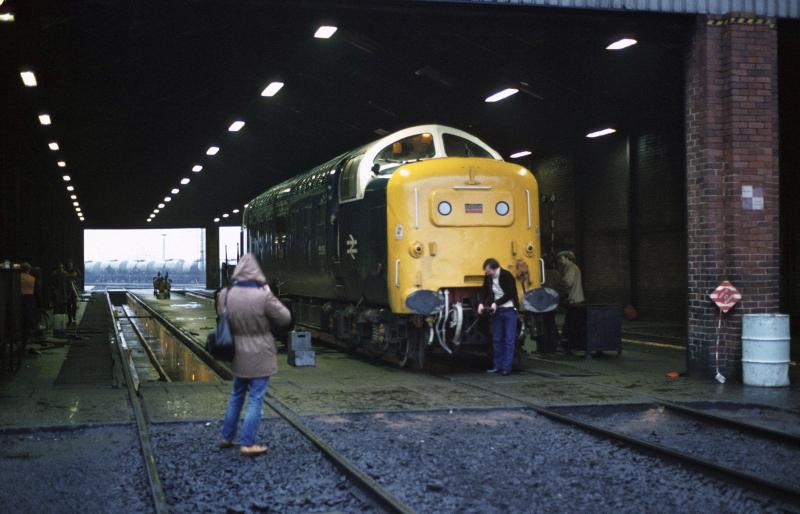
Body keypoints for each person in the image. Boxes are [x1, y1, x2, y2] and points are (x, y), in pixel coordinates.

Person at [218, 253, 291, 456]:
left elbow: (221, 316)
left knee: (236, 395)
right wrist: (268, 294)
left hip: (237, 353)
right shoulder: (263, 294)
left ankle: (227, 437)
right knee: (256, 398)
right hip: (260, 353)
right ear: (256, 271)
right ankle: (248, 443)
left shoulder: (225, 293)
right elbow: (285, 318)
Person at [478, 258, 519, 376]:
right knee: (497, 339)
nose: (487, 273)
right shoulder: (488, 278)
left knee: (509, 339)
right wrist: (481, 303)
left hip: (509, 309)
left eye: (488, 271)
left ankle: (506, 367)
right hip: (497, 310)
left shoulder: (507, 276)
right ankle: (497, 366)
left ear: (495, 269)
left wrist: (496, 303)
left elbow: (510, 294)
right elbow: (484, 290)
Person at [20, 263, 38, 341]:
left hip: (19, 298)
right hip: (30, 298)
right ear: (29, 269)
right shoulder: (32, 278)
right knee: (29, 317)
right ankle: (27, 334)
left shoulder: (17, 278)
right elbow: (36, 291)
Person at [64, 260, 81, 326]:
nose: (70, 265)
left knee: (74, 304)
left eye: (70, 264)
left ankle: (73, 317)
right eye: (69, 264)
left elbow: (79, 278)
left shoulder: (75, 270)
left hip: (74, 290)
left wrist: (77, 285)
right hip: (68, 290)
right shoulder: (65, 271)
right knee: (68, 305)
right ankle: (70, 319)